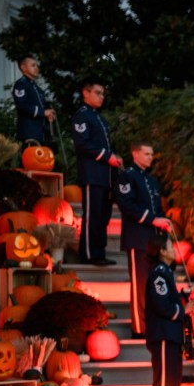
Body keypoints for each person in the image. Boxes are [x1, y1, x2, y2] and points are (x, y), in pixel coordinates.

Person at [115, 142, 173, 338]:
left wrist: (164, 223)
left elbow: (158, 210)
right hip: (136, 239)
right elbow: (127, 205)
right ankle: (139, 329)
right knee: (140, 286)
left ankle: (153, 325)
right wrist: (153, 219)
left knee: (153, 284)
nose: (150, 158)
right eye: (147, 154)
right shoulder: (127, 177)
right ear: (135, 154)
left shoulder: (152, 181)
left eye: (151, 154)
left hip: (153, 241)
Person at [72, 78, 123, 266]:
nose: (101, 97)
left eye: (103, 94)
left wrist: (114, 157)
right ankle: (88, 254)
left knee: (103, 217)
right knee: (92, 215)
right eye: (98, 93)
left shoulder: (100, 118)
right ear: (86, 93)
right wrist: (105, 156)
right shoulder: (82, 115)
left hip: (106, 176)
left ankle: (99, 252)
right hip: (92, 175)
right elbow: (82, 143)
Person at [145, 235, 193, 386]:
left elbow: (168, 297)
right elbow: (161, 304)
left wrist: (182, 296)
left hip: (171, 334)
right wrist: (184, 310)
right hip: (163, 334)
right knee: (165, 379)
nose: (174, 250)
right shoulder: (159, 274)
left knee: (173, 379)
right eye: (170, 247)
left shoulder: (167, 273)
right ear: (162, 252)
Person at [12, 56, 54, 146]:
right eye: (33, 65)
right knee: (32, 159)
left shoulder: (36, 87)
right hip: (29, 134)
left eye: (36, 65)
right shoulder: (21, 84)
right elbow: (21, 105)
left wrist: (47, 115)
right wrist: (42, 112)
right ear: (23, 68)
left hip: (40, 133)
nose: (36, 68)